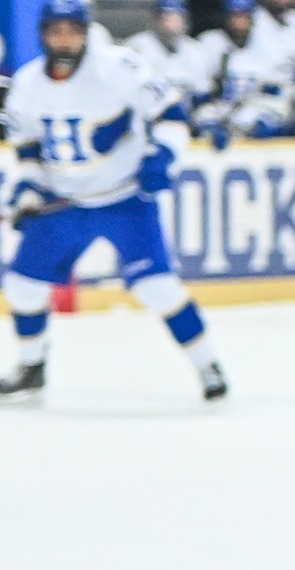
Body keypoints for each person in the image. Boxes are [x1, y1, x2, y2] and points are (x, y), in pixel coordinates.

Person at [1, 0, 227, 402]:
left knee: (157, 288)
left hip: (124, 198)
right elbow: (29, 145)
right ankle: (32, 367)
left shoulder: (119, 67)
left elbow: (171, 113)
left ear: (87, 33)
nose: (65, 40)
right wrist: (29, 188)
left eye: (73, 31)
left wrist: (163, 156)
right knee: (22, 288)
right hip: (65, 201)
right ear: (43, 34)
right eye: (56, 31)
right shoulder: (30, 81)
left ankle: (206, 364)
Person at [196, 0, 295, 142]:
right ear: (225, 17)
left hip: (253, 111)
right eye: (235, 16)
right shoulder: (210, 43)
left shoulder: (268, 46)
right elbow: (200, 91)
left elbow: (280, 92)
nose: (240, 22)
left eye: (244, 16)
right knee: (203, 117)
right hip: (220, 111)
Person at [121, 0, 216, 113]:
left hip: (188, 114)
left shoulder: (196, 49)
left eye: (176, 17)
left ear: (185, 20)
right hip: (149, 113)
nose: (170, 23)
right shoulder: (137, 46)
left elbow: (202, 92)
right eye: (165, 17)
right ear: (154, 19)